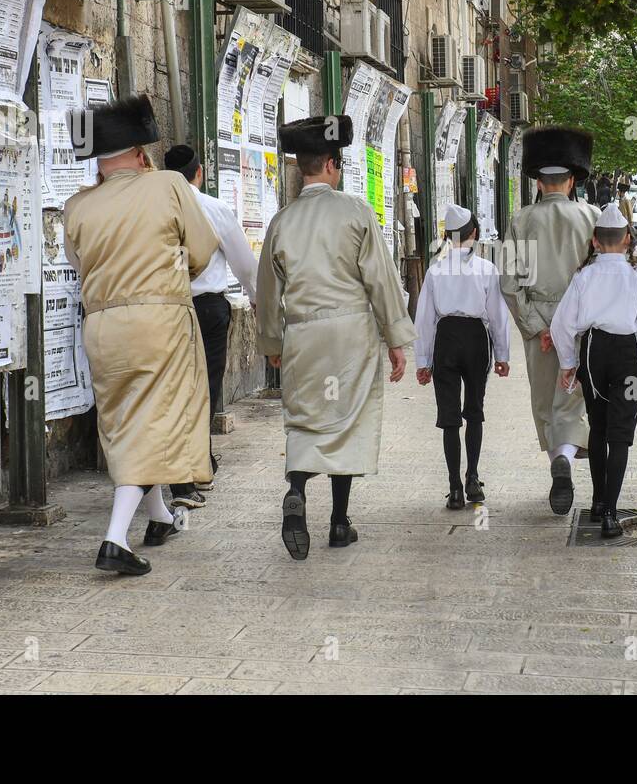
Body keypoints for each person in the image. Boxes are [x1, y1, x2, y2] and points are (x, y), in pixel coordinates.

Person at [62, 95, 220, 576]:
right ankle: (114, 539)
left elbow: (78, 266)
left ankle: (160, 516)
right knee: (153, 417)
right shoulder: (169, 186)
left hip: (103, 323)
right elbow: (203, 249)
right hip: (159, 319)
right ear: (137, 152)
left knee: (128, 419)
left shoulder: (76, 206)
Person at [256, 115, 417, 560]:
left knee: (307, 418)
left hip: (303, 335)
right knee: (347, 420)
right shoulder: (356, 212)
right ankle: (340, 522)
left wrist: (272, 343)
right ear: (330, 164)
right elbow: (381, 281)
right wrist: (396, 338)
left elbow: (268, 292)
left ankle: (297, 491)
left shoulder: (281, 222)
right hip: (350, 333)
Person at [551, 204, 637, 538]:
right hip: (628, 356)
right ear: (628, 239)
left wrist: (568, 364)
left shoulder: (583, 276)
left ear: (595, 241)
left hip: (593, 354)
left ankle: (600, 500)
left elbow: (561, 326)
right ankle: (611, 514)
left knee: (598, 427)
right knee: (620, 436)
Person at [499, 126, 598, 515]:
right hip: (581, 323)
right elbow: (601, 273)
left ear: (539, 183)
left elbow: (509, 282)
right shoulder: (591, 217)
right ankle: (567, 460)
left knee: (545, 400)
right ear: (571, 181)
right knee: (572, 400)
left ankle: (559, 461)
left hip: (537, 320)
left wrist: (538, 326)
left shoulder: (521, 221)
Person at [162, 144, 259, 506]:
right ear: (198, 172)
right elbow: (243, 263)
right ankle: (197, 467)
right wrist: (256, 296)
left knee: (173, 386)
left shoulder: (160, 208)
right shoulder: (215, 209)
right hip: (207, 309)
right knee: (206, 385)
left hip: (167, 308)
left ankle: (187, 465)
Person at [414, 203, 511, 509]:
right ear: (476, 234)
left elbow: (425, 319)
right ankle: (472, 477)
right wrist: (502, 354)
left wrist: (423, 361)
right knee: (474, 410)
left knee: (449, 417)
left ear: (446, 235)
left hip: (445, 340)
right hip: (476, 341)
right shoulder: (487, 270)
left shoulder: (435, 270)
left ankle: (454, 488)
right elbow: (498, 316)